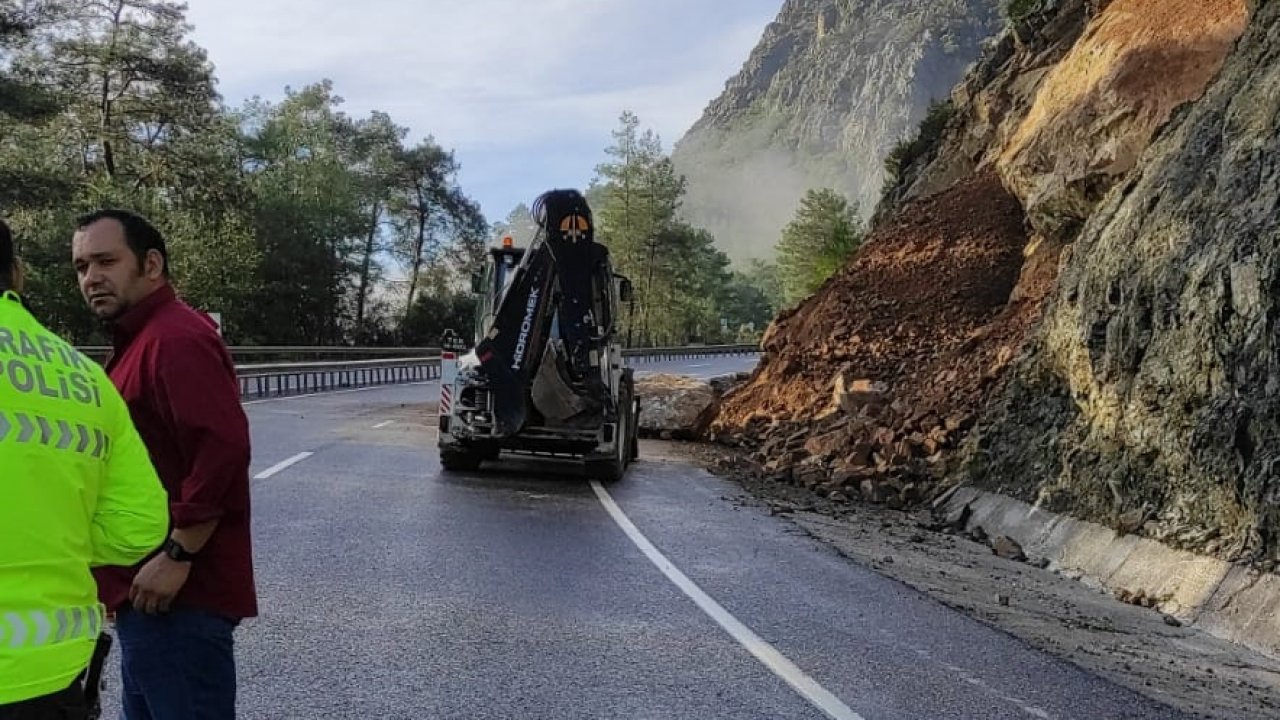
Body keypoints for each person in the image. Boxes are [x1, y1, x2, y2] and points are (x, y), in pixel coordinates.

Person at [72, 209, 257, 720]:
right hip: (150, 598)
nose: (91, 278)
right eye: (81, 266)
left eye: (106, 261)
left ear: (151, 264)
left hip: (179, 597)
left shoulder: (174, 338)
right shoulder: (141, 341)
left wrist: (179, 553)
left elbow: (223, 447)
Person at [0, 219, 169, 719]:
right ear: (17, 275)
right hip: (50, 671)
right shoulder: (82, 375)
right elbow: (141, 523)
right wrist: (56, 536)